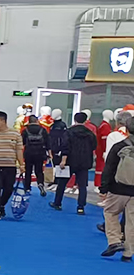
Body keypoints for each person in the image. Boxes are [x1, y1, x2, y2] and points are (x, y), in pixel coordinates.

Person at [99, 115, 134, 262]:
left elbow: (109, 168)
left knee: (110, 212)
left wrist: (103, 188)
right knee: (132, 221)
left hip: (118, 188)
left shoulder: (119, 146)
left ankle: (114, 241)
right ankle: (128, 253)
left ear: (126, 129)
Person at [50, 112, 97, 214]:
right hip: (84, 162)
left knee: (62, 183)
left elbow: (65, 147)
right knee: (82, 186)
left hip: (70, 161)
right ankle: (81, 207)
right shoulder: (90, 134)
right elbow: (94, 146)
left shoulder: (69, 132)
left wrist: (63, 160)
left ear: (75, 120)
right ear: (85, 120)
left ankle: (57, 203)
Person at [21, 115, 50, 196]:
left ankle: (27, 188)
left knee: (28, 171)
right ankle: (40, 183)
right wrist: (49, 153)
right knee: (39, 171)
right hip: (40, 153)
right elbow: (48, 143)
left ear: (29, 122)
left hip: (29, 153)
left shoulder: (25, 130)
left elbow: (22, 143)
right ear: (37, 121)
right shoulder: (43, 130)